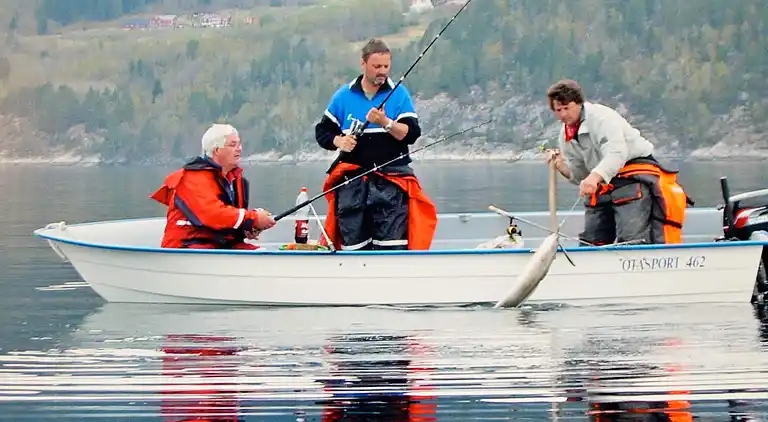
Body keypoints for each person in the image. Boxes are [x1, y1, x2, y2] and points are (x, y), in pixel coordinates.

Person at [314, 38, 437, 251]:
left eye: (386, 66)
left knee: (391, 246)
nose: (382, 71)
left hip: (391, 182)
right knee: (353, 246)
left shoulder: (398, 94)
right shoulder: (344, 96)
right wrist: (339, 141)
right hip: (351, 183)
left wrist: (386, 122)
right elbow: (322, 132)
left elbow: (411, 134)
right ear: (363, 64)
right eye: (376, 66)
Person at [543, 79, 693, 246]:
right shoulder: (565, 136)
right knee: (591, 240)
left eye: (567, 108)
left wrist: (594, 177)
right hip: (604, 183)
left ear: (579, 103)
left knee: (631, 238)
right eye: (558, 110)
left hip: (633, 176)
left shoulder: (601, 118)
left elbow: (616, 153)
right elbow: (581, 175)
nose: (563, 114)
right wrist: (562, 167)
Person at [150, 123, 276, 249]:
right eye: (233, 145)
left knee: (264, 254)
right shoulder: (193, 178)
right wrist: (254, 218)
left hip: (218, 246)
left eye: (239, 144)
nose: (239, 148)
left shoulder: (235, 180)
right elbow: (213, 215)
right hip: (187, 248)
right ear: (217, 150)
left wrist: (247, 228)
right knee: (260, 260)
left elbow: (229, 220)